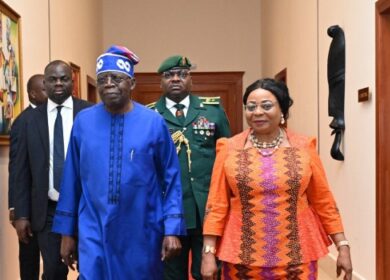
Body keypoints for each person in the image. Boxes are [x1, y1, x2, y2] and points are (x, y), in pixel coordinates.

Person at [52, 46, 186, 279]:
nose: (109, 84)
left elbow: (171, 178)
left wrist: (172, 229)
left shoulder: (153, 123)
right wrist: (66, 233)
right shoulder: (83, 122)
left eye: (117, 78)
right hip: (94, 229)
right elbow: (71, 179)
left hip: (142, 230)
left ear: (132, 84)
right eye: (103, 79)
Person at [201, 78, 353, 280]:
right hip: (242, 255)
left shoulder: (303, 146)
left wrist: (342, 246)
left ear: (282, 110)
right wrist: (208, 252)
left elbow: (323, 200)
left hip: (297, 253)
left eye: (266, 106)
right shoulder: (229, 148)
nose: (257, 112)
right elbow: (216, 205)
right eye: (251, 107)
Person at [147, 55, 231, 280]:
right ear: (161, 82)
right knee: (171, 274)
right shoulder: (149, 116)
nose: (176, 79)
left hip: (207, 209)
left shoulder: (212, 111)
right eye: (169, 75)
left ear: (191, 80)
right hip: (167, 211)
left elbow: (227, 157)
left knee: (208, 272)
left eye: (182, 74)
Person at [13, 61, 92, 279]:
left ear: (72, 82)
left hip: (85, 207)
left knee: (90, 267)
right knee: (54, 270)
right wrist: (20, 213)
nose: (58, 83)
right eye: (53, 79)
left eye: (64, 78)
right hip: (48, 210)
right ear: (45, 83)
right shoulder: (28, 121)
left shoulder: (90, 113)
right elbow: (20, 171)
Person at [8, 74, 47, 280]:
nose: (50, 92)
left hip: (49, 206)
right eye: (44, 89)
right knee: (29, 260)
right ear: (32, 93)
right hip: (29, 207)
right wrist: (16, 209)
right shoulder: (23, 122)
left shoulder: (49, 117)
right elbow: (16, 169)